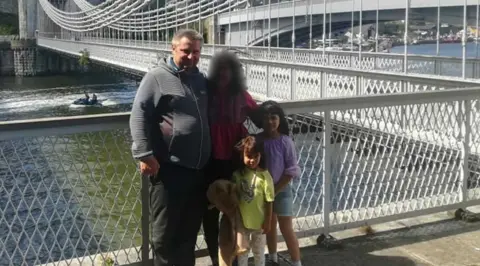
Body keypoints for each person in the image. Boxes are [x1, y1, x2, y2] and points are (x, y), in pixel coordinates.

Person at [129, 29, 210, 266]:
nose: (191, 57)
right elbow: (139, 114)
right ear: (173, 48)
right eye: (186, 51)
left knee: (188, 234)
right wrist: (144, 154)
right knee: (164, 237)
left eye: (196, 52)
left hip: (198, 171)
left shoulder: (201, 80)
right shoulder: (156, 77)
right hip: (170, 169)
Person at [203, 50, 260, 266]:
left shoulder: (241, 95)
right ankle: (216, 260)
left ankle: (233, 260)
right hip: (209, 160)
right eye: (220, 70)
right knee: (209, 214)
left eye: (228, 70)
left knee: (232, 214)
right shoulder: (205, 94)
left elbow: (261, 117)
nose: (223, 74)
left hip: (234, 161)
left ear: (234, 72)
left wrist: (275, 123)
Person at [257, 101, 302, 266]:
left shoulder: (285, 142)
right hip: (262, 192)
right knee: (269, 225)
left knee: (286, 228)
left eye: (273, 118)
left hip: (281, 191)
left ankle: (296, 262)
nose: (270, 122)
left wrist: (275, 190)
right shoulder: (258, 140)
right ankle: (273, 257)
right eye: (266, 118)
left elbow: (291, 170)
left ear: (280, 119)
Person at [232, 135, 275, 266]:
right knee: (242, 251)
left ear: (261, 156)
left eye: (256, 156)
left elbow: (269, 201)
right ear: (242, 156)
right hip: (242, 222)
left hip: (260, 223)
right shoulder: (237, 175)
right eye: (249, 156)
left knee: (259, 252)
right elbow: (233, 196)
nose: (252, 160)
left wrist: (268, 222)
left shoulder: (265, 175)